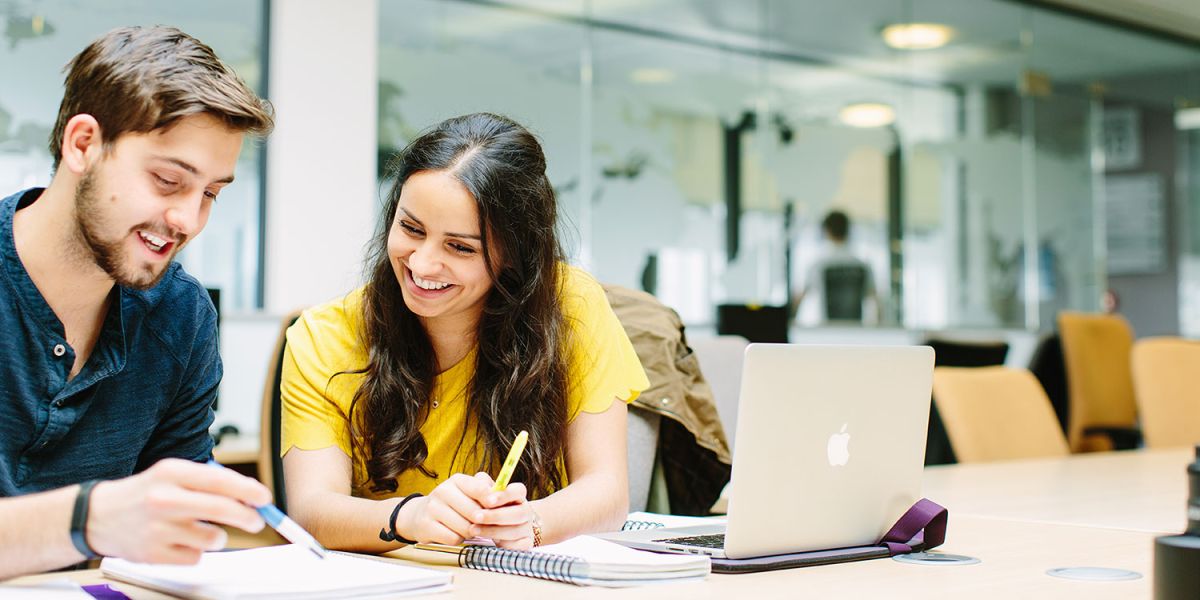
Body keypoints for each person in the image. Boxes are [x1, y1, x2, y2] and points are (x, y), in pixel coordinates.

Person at [281, 113, 649, 552]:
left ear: (514, 254)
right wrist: (410, 516)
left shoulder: (571, 306)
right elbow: (312, 512)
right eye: (411, 229)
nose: (421, 264)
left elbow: (608, 494)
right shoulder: (323, 337)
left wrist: (528, 521)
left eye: (460, 247)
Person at [0, 26, 275, 579]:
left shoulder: (182, 316)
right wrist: (89, 519)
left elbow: (178, 530)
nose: (189, 221)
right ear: (82, 144)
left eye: (212, 194)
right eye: (168, 180)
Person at [790, 210, 880, 324]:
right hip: (857, 331)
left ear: (827, 231)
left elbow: (799, 299)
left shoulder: (817, 265)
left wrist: (790, 324)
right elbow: (876, 301)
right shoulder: (863, 265)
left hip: (827, 331)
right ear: (848, 230)